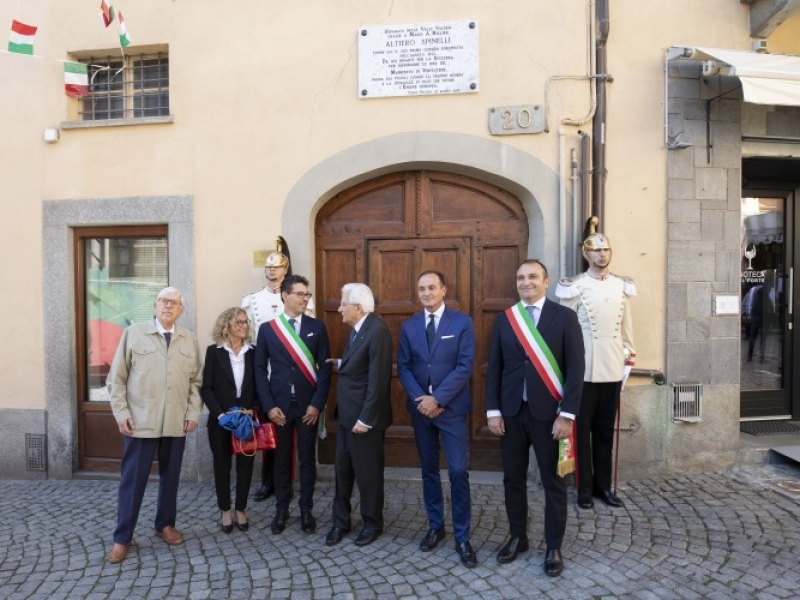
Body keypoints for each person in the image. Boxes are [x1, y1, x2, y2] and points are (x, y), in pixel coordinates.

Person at [485, 260, 584, 577]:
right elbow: (495, 368)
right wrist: (492, 410)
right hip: (511, 413)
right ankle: (518, 537)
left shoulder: (565, 317)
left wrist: (567, 415)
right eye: (520, 278)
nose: (525, 282)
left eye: (532, 277)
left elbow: (576, 370)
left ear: (546, 281)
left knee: (553, 482)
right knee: (512, 479)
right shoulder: (505, 320)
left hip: (550, 416)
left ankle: (553, 545)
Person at [106, 287, 202, 564]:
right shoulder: (134, 334)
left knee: (171, 478)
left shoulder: (188, 340)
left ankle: (165, 525)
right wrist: (121, 412)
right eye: (164, 301)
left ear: (181, 310)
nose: (169, 306)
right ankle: (122, 537)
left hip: (175, 422)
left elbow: (196, 382)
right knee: (132, 482)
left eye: (175, 303)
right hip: (140, 423)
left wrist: (193, 412)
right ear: (155, 304)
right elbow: (117, 379)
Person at [397, 271, 477, 568]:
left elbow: (465, 366)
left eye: (432, 287)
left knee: (457, 471)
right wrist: (423, 400)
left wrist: (438, 399)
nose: (427, 293)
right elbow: (404, 367)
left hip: (450, 410)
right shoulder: (409, 326)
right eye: (421, 289)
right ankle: (435, 526)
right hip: (421, 410)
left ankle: (462, 536)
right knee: (428, 470)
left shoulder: (462, 323)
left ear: (443, 289)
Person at [557, 228, 635, 510]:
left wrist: (629, 354)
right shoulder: (575, 286)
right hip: (586, 370)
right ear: (586, 254)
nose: (602, 254)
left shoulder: (621, 285)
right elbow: (565, 329)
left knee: (605, 432)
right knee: (582, 433)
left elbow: (626, 326)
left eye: (606, 250)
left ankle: (604, 486)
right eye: (596, 250)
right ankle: (584, 489)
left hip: (613, 367)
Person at [255, 275, 331, 535]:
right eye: (300, 294)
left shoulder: (317, 327)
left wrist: (317, 404)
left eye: (306, 294)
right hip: (279, 408)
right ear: (285, 295)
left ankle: (306, 510)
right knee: (281, 460)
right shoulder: (268, 329)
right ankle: (281, 509)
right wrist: (268, 406)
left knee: (307, 460)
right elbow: (258, 370)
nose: (304, 298)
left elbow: (324, 370)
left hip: (308, 407)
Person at [241, 247, 315, 502]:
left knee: (291, 437)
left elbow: (308, 343)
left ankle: (288, 483)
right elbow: (247, 338)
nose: (272, 270)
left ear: (285, 270)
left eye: (277, 266)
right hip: (267, 375)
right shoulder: (251, 300)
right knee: (268, 430)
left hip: (295, 375)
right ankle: (268, 481)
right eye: (268, 266)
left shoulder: (302, 299)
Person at [325, 283, 393, 547]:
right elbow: (362, 365)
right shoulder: (357, 330)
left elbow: (378, 380)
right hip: (346, 417)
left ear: (358, 307)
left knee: (368, 474)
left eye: (343, 304)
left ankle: (372, 523)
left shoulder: (377, 331)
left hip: (364, 421)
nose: (339, 308)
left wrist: (366, 419)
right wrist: (341, 364)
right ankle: (340, 522)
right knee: (342, 471)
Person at [200, 307, 257, 534]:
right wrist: (220, 414)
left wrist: (254, 409)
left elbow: (260, 383)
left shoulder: (254, 351)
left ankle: (241, 508)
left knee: (246, 465)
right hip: (221, 420)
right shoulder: (214, 352)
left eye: (245, 322)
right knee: (221, 466)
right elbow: (206, 388)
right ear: (227, 325)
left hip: (246, 419)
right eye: (239, 322)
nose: (244, 326)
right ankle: (225, 510)